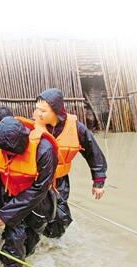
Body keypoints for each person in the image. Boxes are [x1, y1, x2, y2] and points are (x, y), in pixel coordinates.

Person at [0, 116, 58, 267]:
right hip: (10, 194)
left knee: (30, 243)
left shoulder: (44, 149)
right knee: (14, 241)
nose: (5, 154)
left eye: (10, 152)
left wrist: (6, 214)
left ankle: (10, 263)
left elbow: (41, 188)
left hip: (39, 202)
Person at [33, 88, 107, 239]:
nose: (38, 114)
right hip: (37, 181)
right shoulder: (32, 126)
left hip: (60, 182)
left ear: (55, 111)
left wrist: (98, 181)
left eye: (43, 110)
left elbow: (94, 153)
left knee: (60, 218)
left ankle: (54, 245)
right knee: (35, 216)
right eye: (37, 109)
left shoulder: (76, 128)